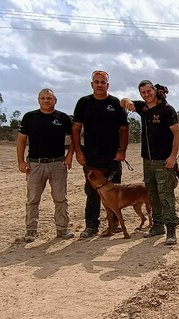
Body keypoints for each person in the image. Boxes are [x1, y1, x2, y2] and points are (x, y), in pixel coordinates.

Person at [121, 81, 179, 245]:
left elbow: (177, 134)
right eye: (142, 92)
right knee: (152, 195)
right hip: (147, 160)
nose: (146, 94)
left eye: (149, 91)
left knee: (166, 196)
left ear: (155, 90)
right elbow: (123, 101)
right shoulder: (142, 108)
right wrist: (128, 101)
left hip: (164, 161)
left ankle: (171, 230)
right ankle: (157, 226)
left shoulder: (167, 110)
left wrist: (173, 157)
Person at [72, 70, 129, 238]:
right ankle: (91, 225)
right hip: (91, 157)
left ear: (107, 85)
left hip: (112, 157)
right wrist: (78, 151)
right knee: (92, 192)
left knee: (114, 192)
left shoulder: (115, 103)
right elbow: (76, 128)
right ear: (92, 84)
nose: (99, 85)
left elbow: (124, 128)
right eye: (96, 82)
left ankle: (114, 224)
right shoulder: (84, 103)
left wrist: (122, 150)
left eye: (103, 82)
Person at [17, 88, 75, 243]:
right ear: (38, 100)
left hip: (57, 163)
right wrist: (21, 161)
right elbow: (21, 140)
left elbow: (72, 140)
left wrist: (69, 156)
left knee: (60, 198)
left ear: (55, 100)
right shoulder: (30, 117)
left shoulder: (63, 118)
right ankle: (31, 230)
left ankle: (62, 229)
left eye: (49, 98)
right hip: (35, 164)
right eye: (43, 98)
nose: (46, 101)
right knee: (33, 199)